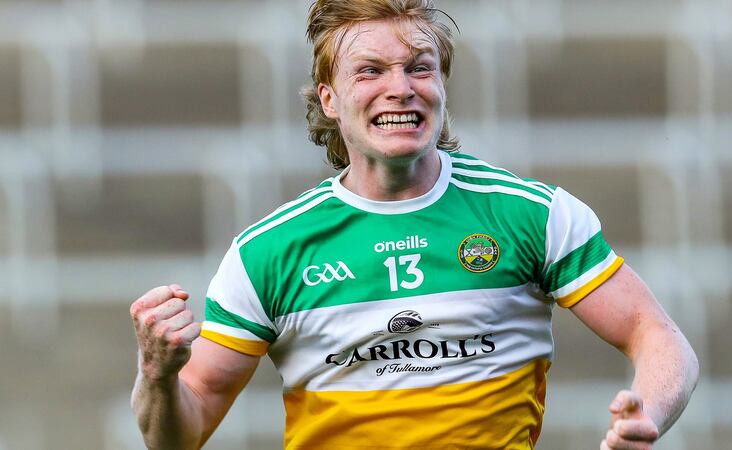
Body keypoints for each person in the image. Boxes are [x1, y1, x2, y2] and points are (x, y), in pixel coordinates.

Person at [129, 1, 699, 449]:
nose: (400, 87)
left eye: (419, 68)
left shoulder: (532, 215)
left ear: (442, 87)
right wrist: (157, 374)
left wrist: (644, 416)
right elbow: (182, 429)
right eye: (371, 71)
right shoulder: (267, 252)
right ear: (329, 98)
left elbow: (661, 339)